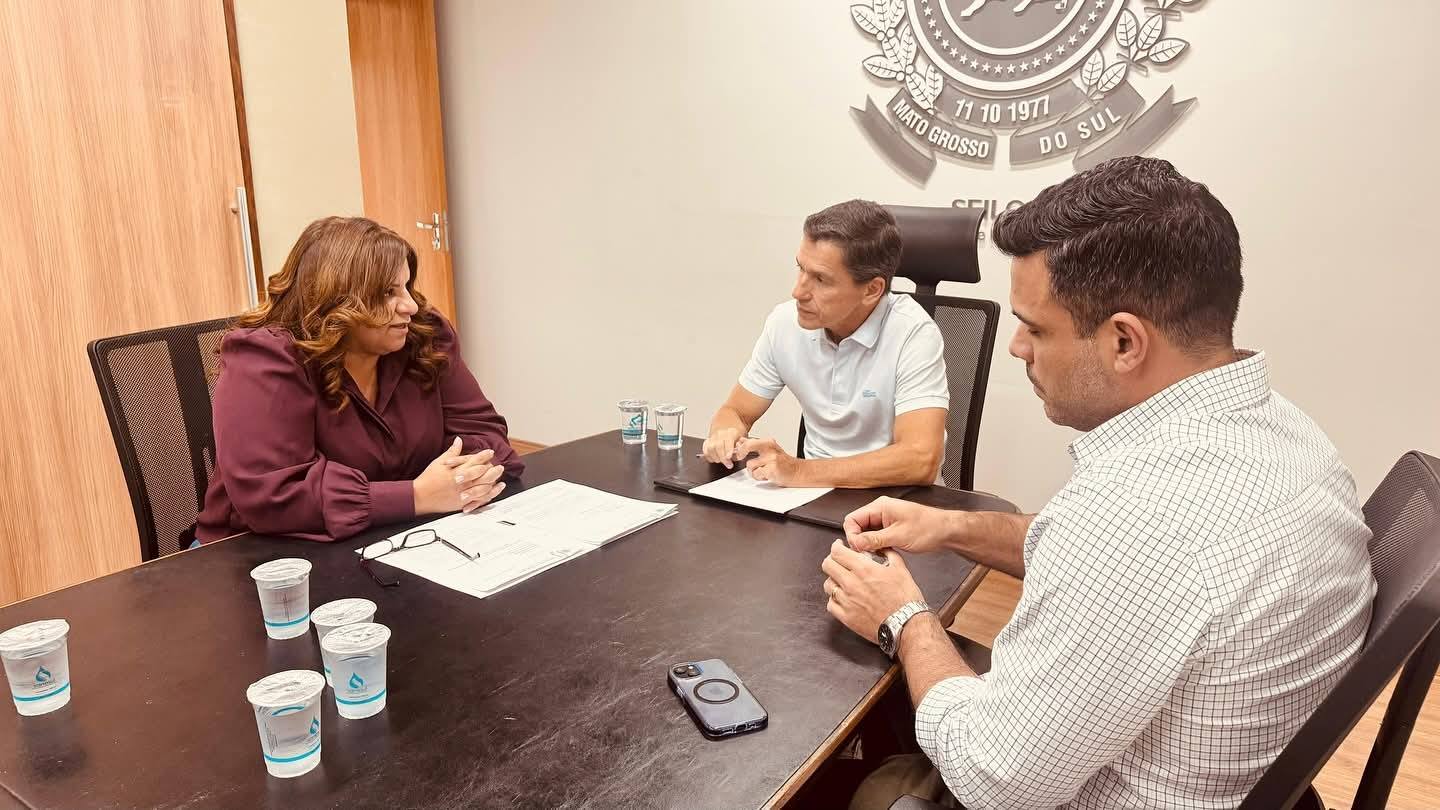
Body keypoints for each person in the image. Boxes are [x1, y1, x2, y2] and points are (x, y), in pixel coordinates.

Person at [821, 157, 1376, 809]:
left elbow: (989, 778)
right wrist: (951, 526)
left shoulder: (1136, 516)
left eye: (1036, 327)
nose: (1017, 347)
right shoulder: (1286, 432)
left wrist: (902, 618)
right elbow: (1094, 555)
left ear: (1124, 343)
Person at [194, 217, 523, 543]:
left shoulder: (424, 335)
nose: (410, 305)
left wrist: (464, 478)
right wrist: (417, 496)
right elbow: (274, 496)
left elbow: (485, 433)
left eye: (407, 286)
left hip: (389, 536)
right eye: (388, 292)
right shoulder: (265, 358)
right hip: (251, 554)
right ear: (335, 301)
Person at [702, 200, 948, 488]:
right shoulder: (785, 322)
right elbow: (736, 411)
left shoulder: (913, 333)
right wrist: (725, 433)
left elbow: (920, 459)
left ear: (872, 290)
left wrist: (799, 472)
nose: (798, 292)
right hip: (813, 496)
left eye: (820, 279)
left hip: (899, 500)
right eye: (801, 269)